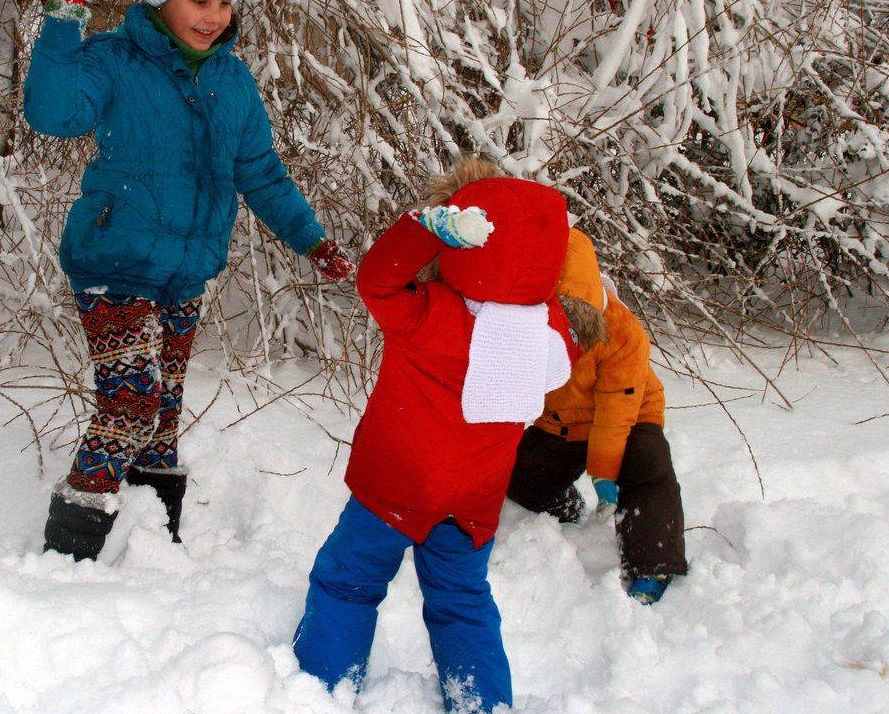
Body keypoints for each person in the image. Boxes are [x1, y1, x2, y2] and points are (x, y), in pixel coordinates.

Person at [23, 0, 354, 560]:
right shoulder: (114, 61)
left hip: (186, 270)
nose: (215, 15)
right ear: (162, 0)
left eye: (224, 1)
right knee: (131, 402)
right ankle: (71, 546)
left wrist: (312, 242)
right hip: (115, 261)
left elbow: (261, 174)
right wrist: (64, 20)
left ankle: (151, 535)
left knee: (163, 405)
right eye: (200, 0)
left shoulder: (231, 81)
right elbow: (53, 113)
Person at [292, 158, 580, 713]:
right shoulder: (548, 337)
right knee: (462, 601)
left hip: (394, 489)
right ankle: (483, 704)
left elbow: (374, 278)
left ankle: (320, 689)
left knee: (347, 582)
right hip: (473, 502)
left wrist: (425, 227)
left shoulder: (431, 317)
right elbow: (533, 289)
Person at [505, 228, 688, 604]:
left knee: (649, 472)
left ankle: (653, 564)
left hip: (632, 416)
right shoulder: (525, 322)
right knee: (519, 475)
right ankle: (569, 511)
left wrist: (604, 471)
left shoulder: (622, 333)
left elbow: (616, 410)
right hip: (562, 422)